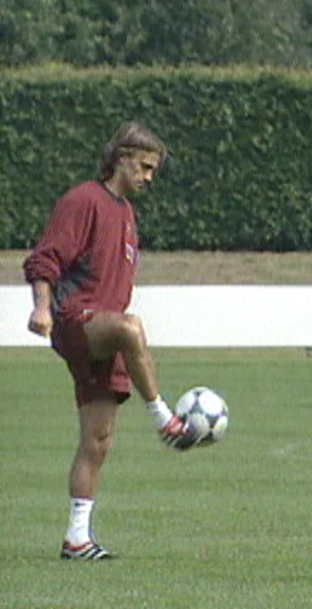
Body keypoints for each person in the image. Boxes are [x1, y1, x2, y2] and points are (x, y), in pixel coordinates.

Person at [23, 122, 198, 561]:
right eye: (144, 167)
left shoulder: (126, 214)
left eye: (154, 170)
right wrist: (42, 308)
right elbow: (45, 258)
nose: (149, 178)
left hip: (101, 336)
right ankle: (163, 418)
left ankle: (77, 538)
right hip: (74, 319)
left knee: (97, 441)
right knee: (131, 327)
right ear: (121, 157)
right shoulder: (84, 200)